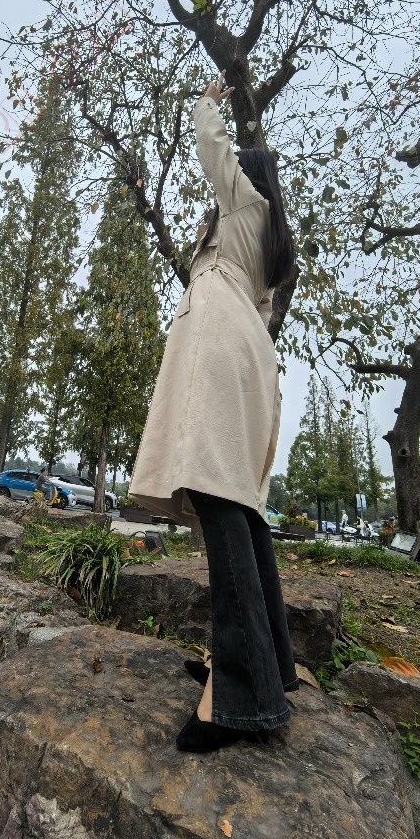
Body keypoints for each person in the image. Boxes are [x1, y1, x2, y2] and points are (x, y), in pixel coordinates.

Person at [128, 70, 298, 753]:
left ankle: (239, 697)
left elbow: (210, 146)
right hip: (249, 359)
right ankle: (268, 663)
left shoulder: (244, 202)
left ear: (249, 179)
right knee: (239, 505)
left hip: (222, 354)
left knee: (219, 500)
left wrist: (208, 101)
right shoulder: (267, 243)